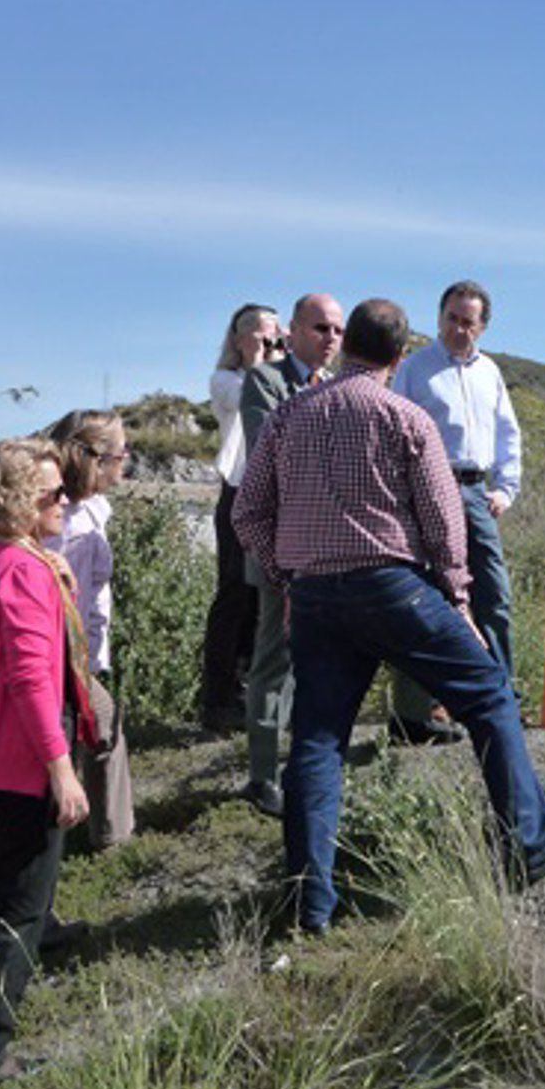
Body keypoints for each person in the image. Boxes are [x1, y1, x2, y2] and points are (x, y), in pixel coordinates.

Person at [233, 299, 545, 935]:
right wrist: (458, 601)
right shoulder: (406, 417)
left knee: (318, 741)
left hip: (316, 595)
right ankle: (530, 844)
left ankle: (310, 904)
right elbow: (443, 522)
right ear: (399, 357)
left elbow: (248, 513)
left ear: (347, 349)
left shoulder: (289, 416)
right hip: (391, 586)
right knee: (489, 696)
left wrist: (289, 578)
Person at [0, 438, 98, 1089]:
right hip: (22, 762)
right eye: (51, 493)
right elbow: (32, 681)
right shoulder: (22, 571)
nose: (64, 500)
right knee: (15, 913)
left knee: (7, 901)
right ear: (17, 499)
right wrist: (60, 769)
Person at [389, 280, 524, 737]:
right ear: (440, 316)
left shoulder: (491, 373)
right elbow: (395, 430)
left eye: (468, 322)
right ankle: (422, 710)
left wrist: (505, 489)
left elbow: (508, 434)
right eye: (451, 318)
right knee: (426, 598)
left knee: (494, 596)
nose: (458, 329)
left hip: (475, 490)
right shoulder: (414, 369)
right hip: (426, 488)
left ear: (482, 327)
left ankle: (500, 696)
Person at [235, 292, 343, 816]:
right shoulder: (266, 382)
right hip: (281, 542)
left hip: (324, 546)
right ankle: (261, 774)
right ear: (294, 331)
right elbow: (273, 453)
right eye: (321, 328)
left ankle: (301, 759)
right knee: (274, 658)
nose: (330, 340)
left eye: (338, 331)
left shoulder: (334, 387)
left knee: (314, 657)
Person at [46, 408, 136, 847]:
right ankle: (109, 837)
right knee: (101, 728)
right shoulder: (63, 524)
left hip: (79, 649)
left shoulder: (93, 511)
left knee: (93, 729)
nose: (126, 460)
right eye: (120, 453)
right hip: (61, 649)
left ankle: (98, 832)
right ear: (95, 459)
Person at [200, 303, 283, 734]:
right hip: (238, 491)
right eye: (262, 335)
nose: (271, 344)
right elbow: (249, 396)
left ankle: (256, 689)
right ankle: (217, 696)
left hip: (276, 493)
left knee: (264, 594)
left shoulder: (285, 378)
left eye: (276, 335)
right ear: (239, 338)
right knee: (234, 590)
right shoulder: (226, 380)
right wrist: (258, 359)